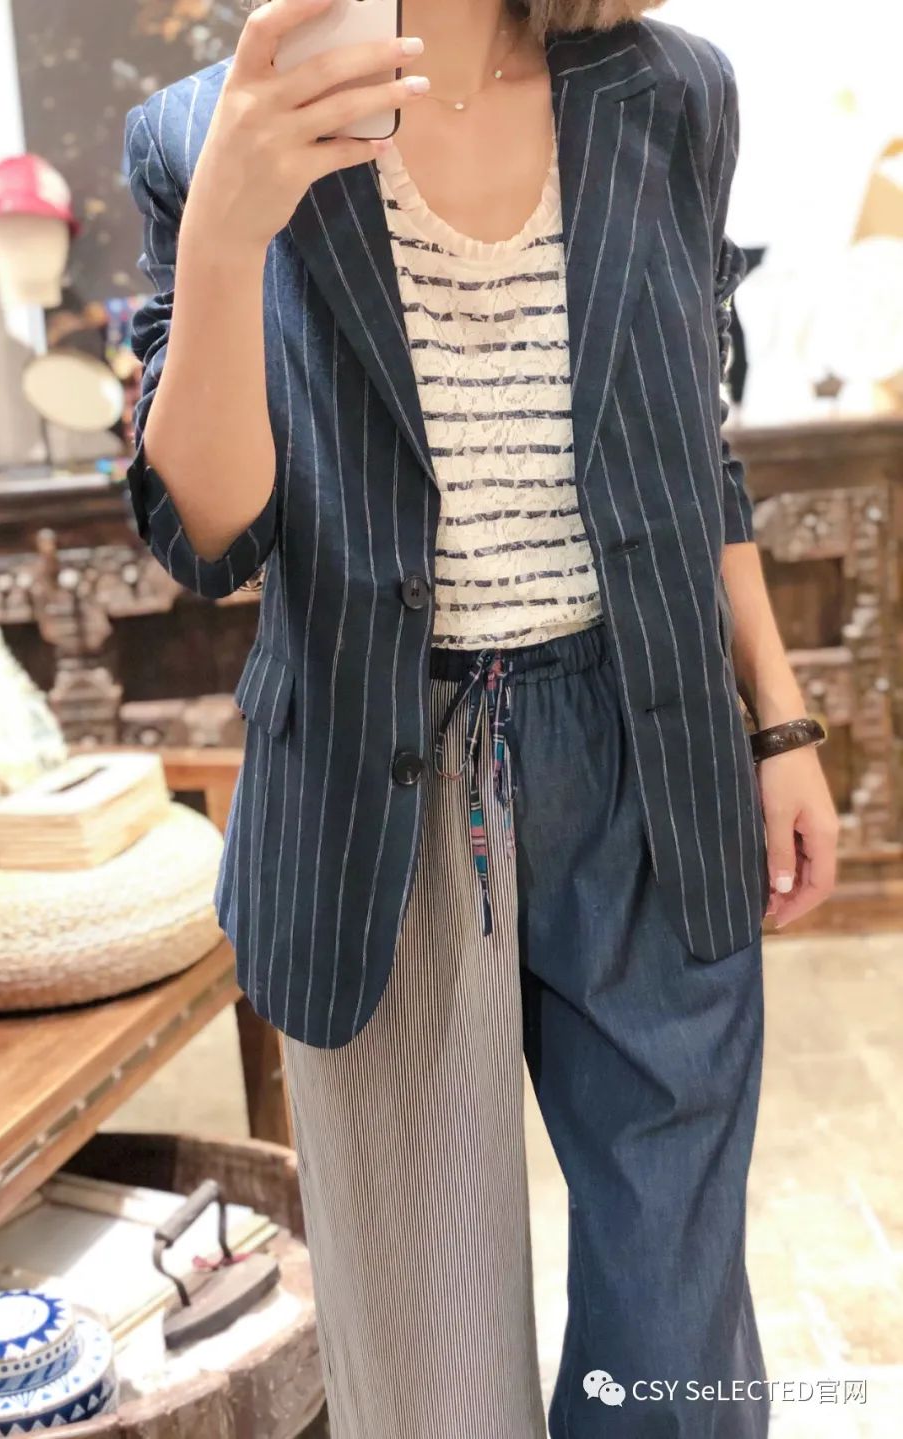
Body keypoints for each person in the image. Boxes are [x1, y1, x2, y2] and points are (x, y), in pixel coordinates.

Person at [123, 1, 839, 1433]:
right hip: (373, 777)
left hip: (647, 753)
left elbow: (690, 434)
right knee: (428, 1351)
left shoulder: (668, 89)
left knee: (677, 1327)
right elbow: (211, 535)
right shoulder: (203, 131)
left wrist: (779, 715)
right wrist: (226, 236)